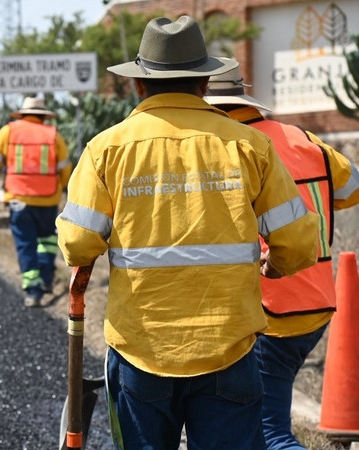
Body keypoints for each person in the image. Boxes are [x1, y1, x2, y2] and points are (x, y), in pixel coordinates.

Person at [55, 16, 320, 449]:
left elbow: (77, 244)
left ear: (139, 84)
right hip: (229, 347)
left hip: (142, 348)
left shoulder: (107, 149)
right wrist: (275, 266)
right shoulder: (249, 145)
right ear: (205, 83)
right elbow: (297, 242)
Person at [204, 64, 359, 450]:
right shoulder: (303, 138)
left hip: (269, 312)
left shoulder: (226, 147)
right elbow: (350, 187)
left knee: (268, 434)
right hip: (315, 304)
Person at [0, 97, 73, 307]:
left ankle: (33, 291)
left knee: (26, 245)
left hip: (18, 199)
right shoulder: (53, 135)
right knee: (47, 240)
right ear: (43, 116)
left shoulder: (8, 132)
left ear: (22, 114)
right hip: (48, 199)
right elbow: (66, 168)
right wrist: (61, 188)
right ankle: (46, 278)